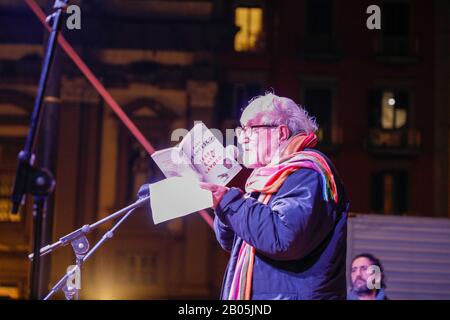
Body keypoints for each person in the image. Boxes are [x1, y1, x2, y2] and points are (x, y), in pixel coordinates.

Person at [200, 92, 350, 300]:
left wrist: (230, 202)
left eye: (251, 128)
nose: (241, 137)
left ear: (280, 133)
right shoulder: (266, 181)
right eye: (240, 129)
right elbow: (233, 242)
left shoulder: (308, 173)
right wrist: (222, 204)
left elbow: (283, 237)